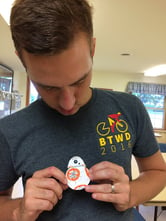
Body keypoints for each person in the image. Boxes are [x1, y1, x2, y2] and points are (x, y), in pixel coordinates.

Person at [0, 0, 165, 220]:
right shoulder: (9, 131)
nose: (68, 103)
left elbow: (158, 172)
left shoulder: (129, 108)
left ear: (93, 48)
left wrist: (132, 193)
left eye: (79, 80)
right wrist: (19, 211)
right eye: (48, 87)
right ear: (22, 60)